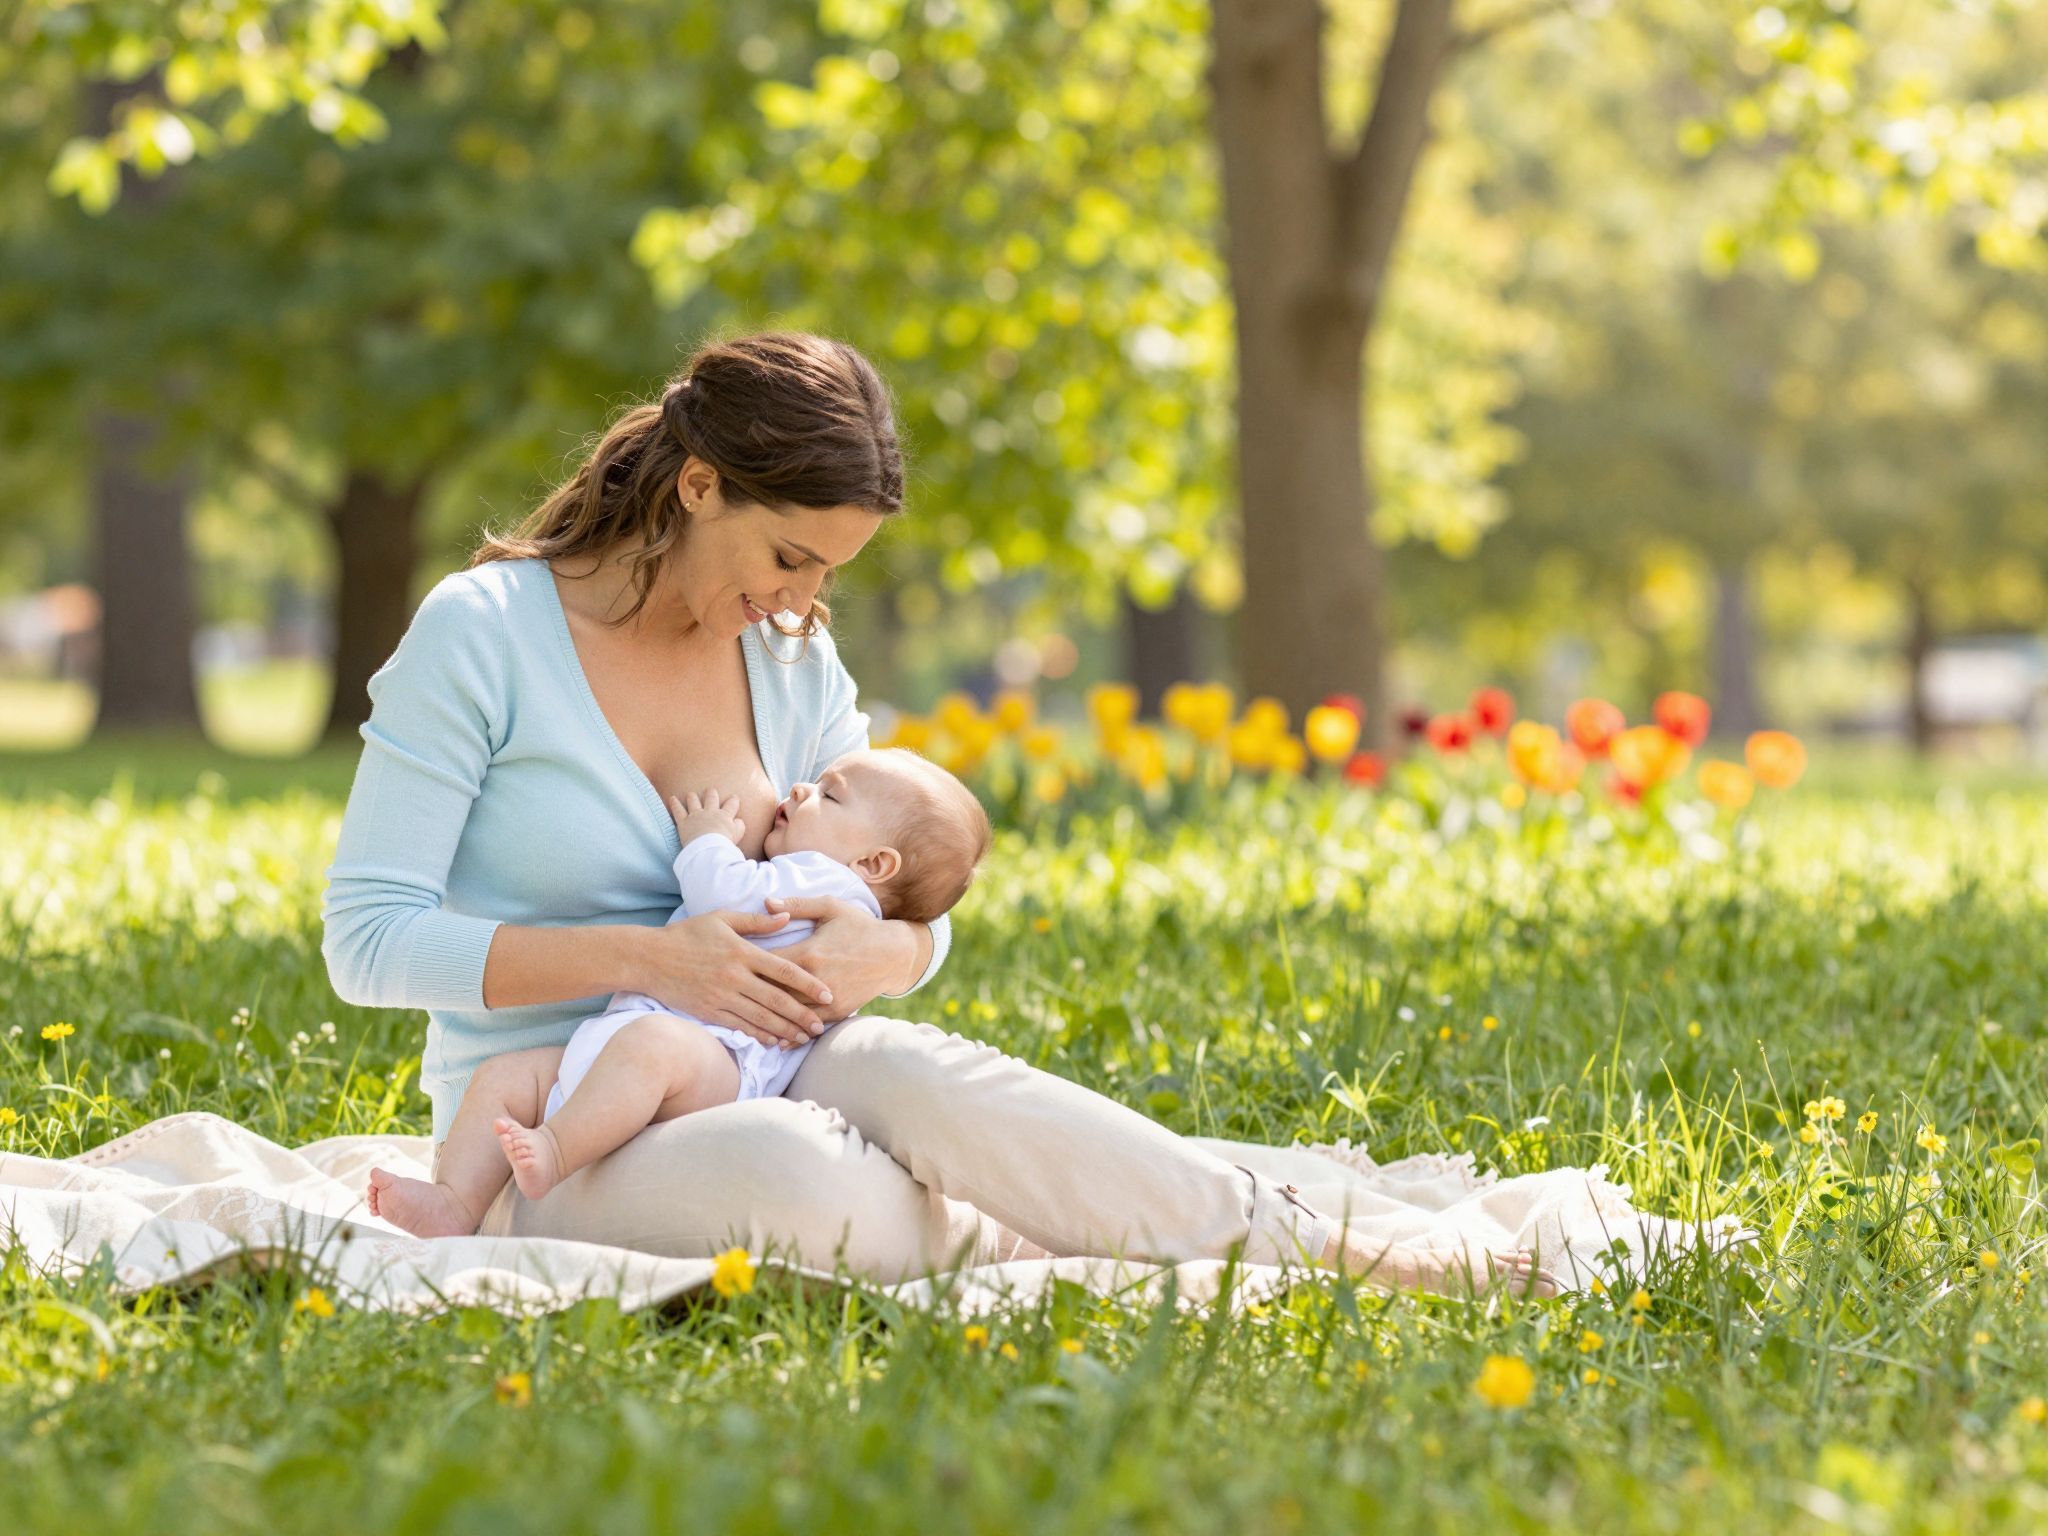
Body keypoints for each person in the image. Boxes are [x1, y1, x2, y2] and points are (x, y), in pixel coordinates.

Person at [322, 329, 1551, 1297]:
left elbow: (904, 889)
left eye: (828, 573)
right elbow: (367, 942)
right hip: (555, 1130)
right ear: (699, 484)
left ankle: (1334, 1251)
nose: (802, 598)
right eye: (791, 557)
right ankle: (1065, 1226)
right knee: (800, 1176)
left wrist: (897, 947)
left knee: (921, 1075)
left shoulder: (788, 663)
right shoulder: (483, 637)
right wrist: (654, 961)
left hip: (781, 1062)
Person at [364, 748, 992, 1235]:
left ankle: (554, 1152)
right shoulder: (829, 872)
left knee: (652, 1047)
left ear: (875, 866)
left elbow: (724, 896)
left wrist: (709, 838)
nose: (802, 789)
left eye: (828, 794)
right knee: (507, 1076)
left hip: (716, 1062)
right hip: (632, 1041)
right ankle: (453, 1203)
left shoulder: (824, 888)